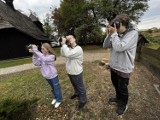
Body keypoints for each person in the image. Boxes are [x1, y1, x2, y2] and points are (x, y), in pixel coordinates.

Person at [103, 14, 138, 115]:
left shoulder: (132, 34)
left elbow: (120, 47)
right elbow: (105, 46)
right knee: (116, 85)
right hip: (114, 66)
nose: (116, 27)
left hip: (124, 68)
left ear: (123, 24)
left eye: (117, 24)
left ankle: (124, 104)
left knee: (122, 88)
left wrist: (114, 35)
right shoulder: (115, 34)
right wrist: (110, 34)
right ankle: (118, 99)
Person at [28, 43, 62, 108]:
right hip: (46, 76)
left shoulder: (51, 56)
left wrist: (36, 50)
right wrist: (34, 54)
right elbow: (36, 63)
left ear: (48, 49)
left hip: (53, 76)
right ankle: (55, 97)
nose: (42, 49)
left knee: (56, 88)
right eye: (41, 48)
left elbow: (45, 59)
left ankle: (59, 100)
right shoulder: (41, 56)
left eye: (43, 48)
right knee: (53, 88)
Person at [60, 35, 87, 109]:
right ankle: (76, 93)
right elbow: (63, 54)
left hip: (76, 72)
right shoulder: (68, 48)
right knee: (74, 85)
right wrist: (63, 44)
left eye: (70, 38)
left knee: (80, 87)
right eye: (67, 39)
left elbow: (68, 54)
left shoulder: (78, 49)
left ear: (75, 39)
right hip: (70, 71)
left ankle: (83, 100)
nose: (68, 39)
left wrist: (64, 44)